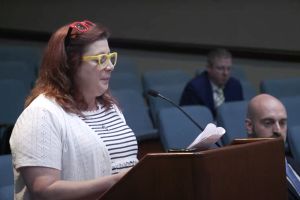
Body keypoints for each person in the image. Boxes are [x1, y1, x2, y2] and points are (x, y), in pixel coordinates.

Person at [9, 20, 138, 200]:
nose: (110, 66)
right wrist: (114, 182)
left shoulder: (110, 107)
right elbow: (44, 189)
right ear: (70, 64)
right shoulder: (41, 115)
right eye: (100, 59)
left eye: (110, 57)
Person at [245, 94, 300, 200]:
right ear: (249, 126)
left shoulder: (294, 163)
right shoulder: (244, 177)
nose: (278, 130)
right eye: (268, 123)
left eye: (282, 123)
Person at [180, 48, 243, 117]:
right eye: (220, 68)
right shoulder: (194, 88)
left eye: (229, 68)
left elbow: (238, 114)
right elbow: (189, 118)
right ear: (209, 68)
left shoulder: (235, 85)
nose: (225, 73)